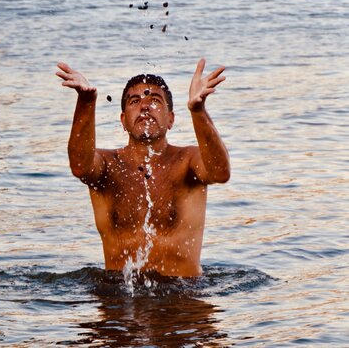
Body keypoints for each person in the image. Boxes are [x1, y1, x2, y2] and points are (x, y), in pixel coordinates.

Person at [56, 59, 230, 277]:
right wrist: (86, 101)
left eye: (155, 100)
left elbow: (220, 172)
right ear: (123, 120)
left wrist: (198, 111)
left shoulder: (188, 160)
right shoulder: (108, 164)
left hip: (185, 298)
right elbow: (80, 166)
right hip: (118, 298)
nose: (145, 106)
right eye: (134, 101)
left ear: (171, 119)